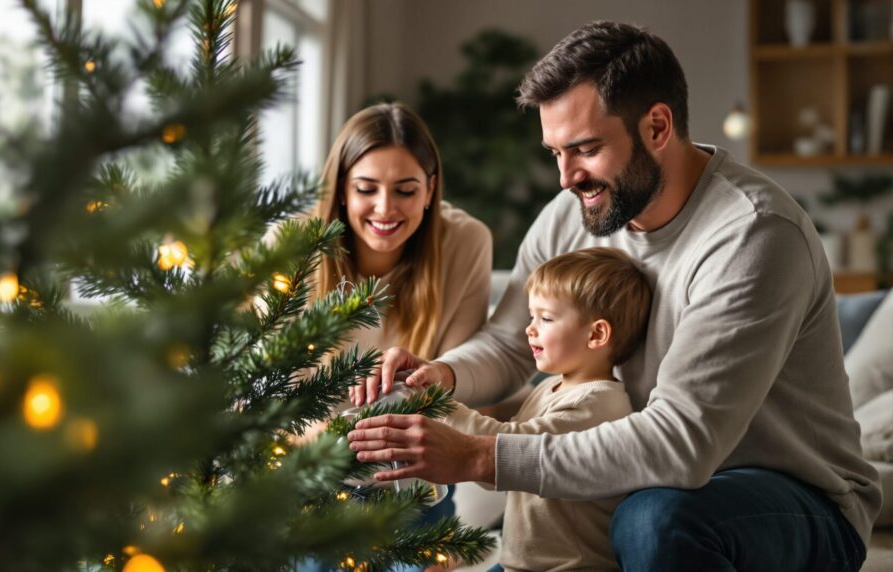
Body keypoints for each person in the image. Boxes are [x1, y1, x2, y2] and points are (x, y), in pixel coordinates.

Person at [346, 21, 881, 570]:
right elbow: (510, 345)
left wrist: (483, 456)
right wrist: (440, 374)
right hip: (641, 483)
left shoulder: (752, 234)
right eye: (555, 152)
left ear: (656, 126)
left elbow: (682, 443)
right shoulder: (573, 215)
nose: (564, 177)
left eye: (584, 149)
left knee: (654, 518)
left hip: (795, 499)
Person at [305, 102, 492, 572]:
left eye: (405, 190)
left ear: (430, 189)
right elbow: (253, 400)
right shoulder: (295, 251)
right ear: (342, 191)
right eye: (366, 189)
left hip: (411, 490)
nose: (385, 209)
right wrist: (324, 440)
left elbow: (454, 390)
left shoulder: (464, 243)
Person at [444, 247, 649, 571]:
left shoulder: (595, 405)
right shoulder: (551, 387)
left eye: (546, 318)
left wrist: (441, 404)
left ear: (596, 334)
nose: (530, 328)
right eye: (531, 316)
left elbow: (505, 444)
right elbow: (500, 472)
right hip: (519, 563)